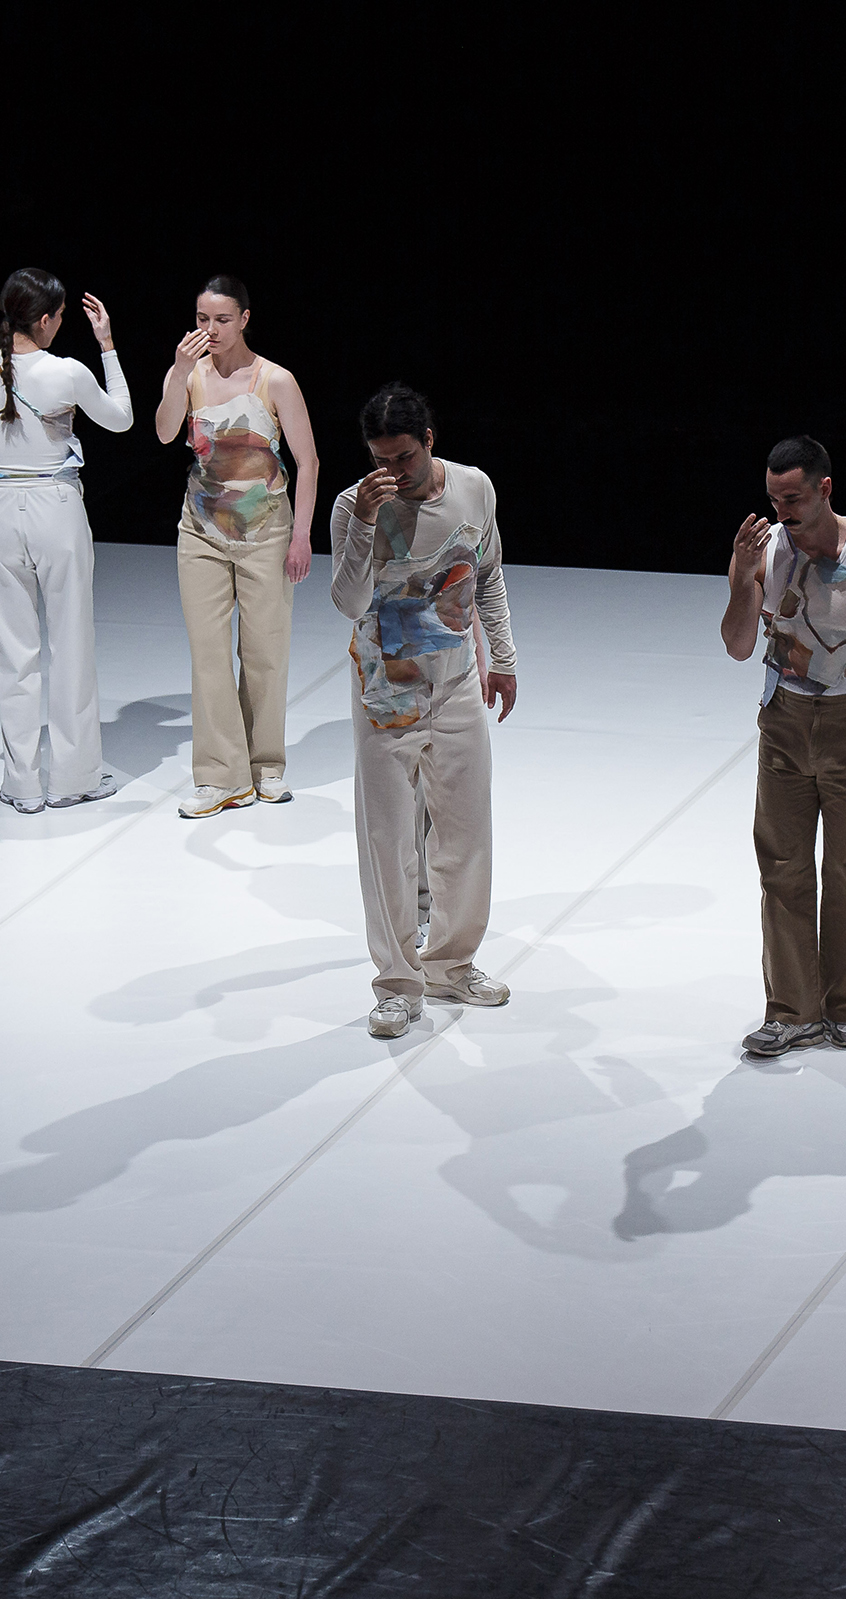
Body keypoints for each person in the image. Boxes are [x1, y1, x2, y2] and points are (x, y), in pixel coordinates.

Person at [719, 436, 846, 1057]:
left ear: (824, 488)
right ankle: (791, 1011)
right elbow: (738, 646)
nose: (781, 511)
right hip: (783, 723)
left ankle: (844, 1006)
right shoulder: (764, 553)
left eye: (793, 498)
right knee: (781, 869)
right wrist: (740, 578)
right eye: (773, 499)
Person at [329, 384, 520, 1038]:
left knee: (466, 832)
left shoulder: (473, 487)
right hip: (387, 691)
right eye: (380, 459)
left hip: (458, 681)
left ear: (429, 440)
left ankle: (451, 963)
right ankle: (396, 983)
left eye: (404, 457)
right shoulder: (354, 505)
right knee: (387, 841)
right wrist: (363, 523)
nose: (394, 471)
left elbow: (487, 575)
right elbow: (349, 601)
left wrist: (504, 656)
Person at [0, 268, 132, 812]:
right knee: (71, 643)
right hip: (57, 509)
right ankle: (74, 778)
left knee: (11, 652)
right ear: (44, 320)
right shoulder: (67, 371)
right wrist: (108, 346)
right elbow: (122, 419)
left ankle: (22, 785)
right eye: (61, 316)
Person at [152, 275, 321, 818]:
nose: (211, 329)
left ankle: (266, 765)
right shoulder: (189, 374)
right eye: (203, 319)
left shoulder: (276, 379)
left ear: (245, 319)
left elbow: (308, 461)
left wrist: (302, 536)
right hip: (201, 529)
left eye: (222, 319)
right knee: (207, 652)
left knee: (265, 650)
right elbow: (164, 432)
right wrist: (177, 372)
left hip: (266, 530)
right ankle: (220, 776)